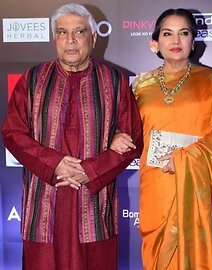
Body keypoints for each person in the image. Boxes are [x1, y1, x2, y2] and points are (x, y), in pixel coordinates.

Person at [1, 3, 143, 270]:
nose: (71, 40)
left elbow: (132, 136)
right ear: (55, 38)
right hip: (44, 204)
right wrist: (54, 163)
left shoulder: (114, 81)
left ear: (93, 37)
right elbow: (13, 132)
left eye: (79, 31)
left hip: (94, 204)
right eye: (62, 32)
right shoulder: (32, 80)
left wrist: (91, 169)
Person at [111, 8, 212, 270]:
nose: (175, 40)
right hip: (156, 186)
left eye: (184, 33)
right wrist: (116, 135)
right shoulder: (140, 85)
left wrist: (184, 160)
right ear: (155, 43)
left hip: (199, 186)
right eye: (167, 33)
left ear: (193, 41)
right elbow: (128, 128)